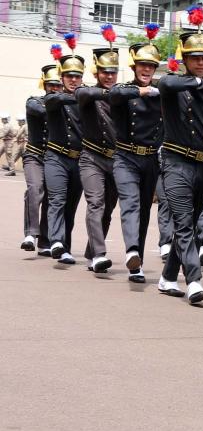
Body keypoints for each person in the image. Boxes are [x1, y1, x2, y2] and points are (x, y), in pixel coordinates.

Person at [157, 11, 203, 305]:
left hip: (202, 166)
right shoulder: (174, 85)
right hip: (175, 164)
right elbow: (166, 85)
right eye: (194, 57)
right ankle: (193, 280)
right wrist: (198, 83)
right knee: (183, 223)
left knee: (190, 225)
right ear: (184, 59)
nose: (200, 63)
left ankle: (168, 277)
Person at [110, 27, 163, 285]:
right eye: (142, 65)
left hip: (150, 159)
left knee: (143, 211)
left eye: (151, 67)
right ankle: (131, 249)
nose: (146, 70)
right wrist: (139, 92)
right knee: (130, 203)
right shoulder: (125, 89)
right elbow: (114, 95)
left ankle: (136, 262)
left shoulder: (160, 92)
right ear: (134, 67)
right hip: (125, 157)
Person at [75, 32, 121, 274]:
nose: (110, 76)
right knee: (96, 202)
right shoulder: (87, 93)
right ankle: (100, 254)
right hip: (91, 158)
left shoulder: (122, 94)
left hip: (116, 160)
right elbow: (84, 94)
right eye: (105, 71)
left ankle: (92, 251)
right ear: (96, 73)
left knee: (108, 209)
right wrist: (114, 93)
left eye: (113, 72)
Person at [44, 39, 85, 265]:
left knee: (71, 205)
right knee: (57, 200)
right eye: (68, 76)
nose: (72, 80)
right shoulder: (53, 98)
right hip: (56, 157)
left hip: (79, 160)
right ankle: (56, 241)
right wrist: (83, 95)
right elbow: (55, 100)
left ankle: (65, 246)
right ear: (61, 78)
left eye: (77, 76)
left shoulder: (86, 100)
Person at [21, 65, 63, 255]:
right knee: (34, 188)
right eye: (51, 85)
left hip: (54, 157)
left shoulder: (65, 105)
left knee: (51, 197)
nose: (55, 88)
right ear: (44, 85)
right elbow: (42, 111)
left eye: (58, 85)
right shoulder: (34, 101)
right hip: (34, 155)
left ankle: (45, 241)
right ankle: (30, 234)